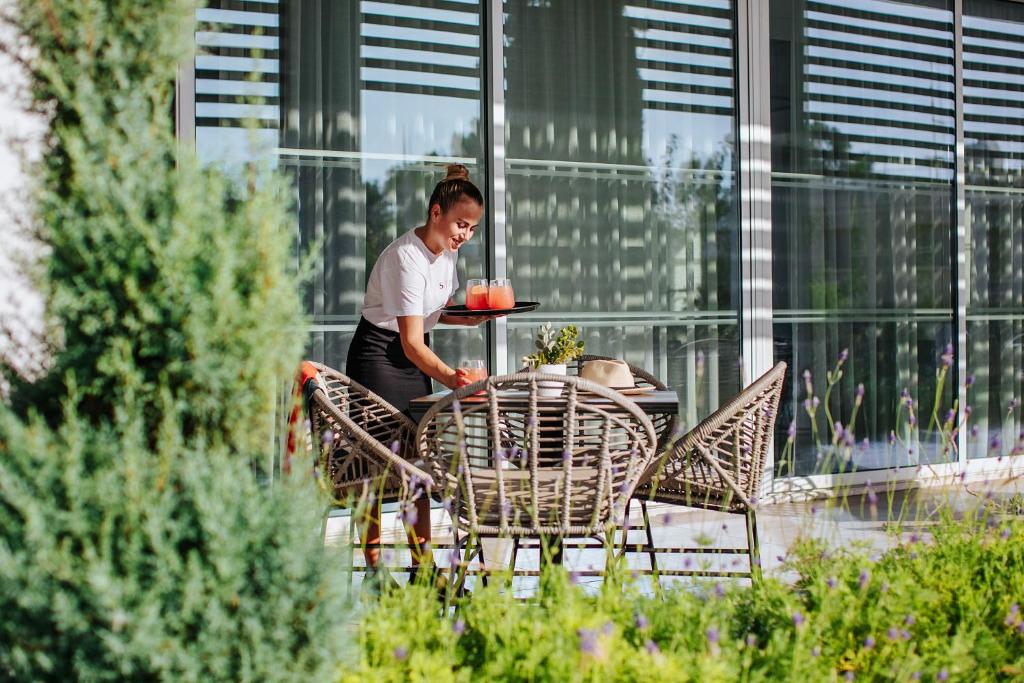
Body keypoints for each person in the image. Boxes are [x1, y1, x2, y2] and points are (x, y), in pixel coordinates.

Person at [346, 163, 492, 587]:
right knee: (374, 469)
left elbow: (431, 312)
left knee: (418, 466)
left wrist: (468, 317)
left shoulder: (447, 254)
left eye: (472, 227)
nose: (465, 235)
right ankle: (375, 573)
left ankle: (422, 568)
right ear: (435, 213)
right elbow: (411, 341)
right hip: (379, 358)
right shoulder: (405, 258)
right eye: (460, 224)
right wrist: (453, 378)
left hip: (413, 356)